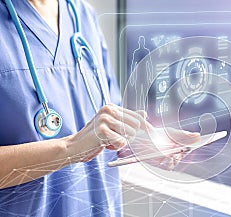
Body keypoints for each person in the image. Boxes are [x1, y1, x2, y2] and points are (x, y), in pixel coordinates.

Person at [0, 0, 199, 216]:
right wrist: (70, 148)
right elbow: (80, 142)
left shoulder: (82, 15)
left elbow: (105, 125)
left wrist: (143, 142)